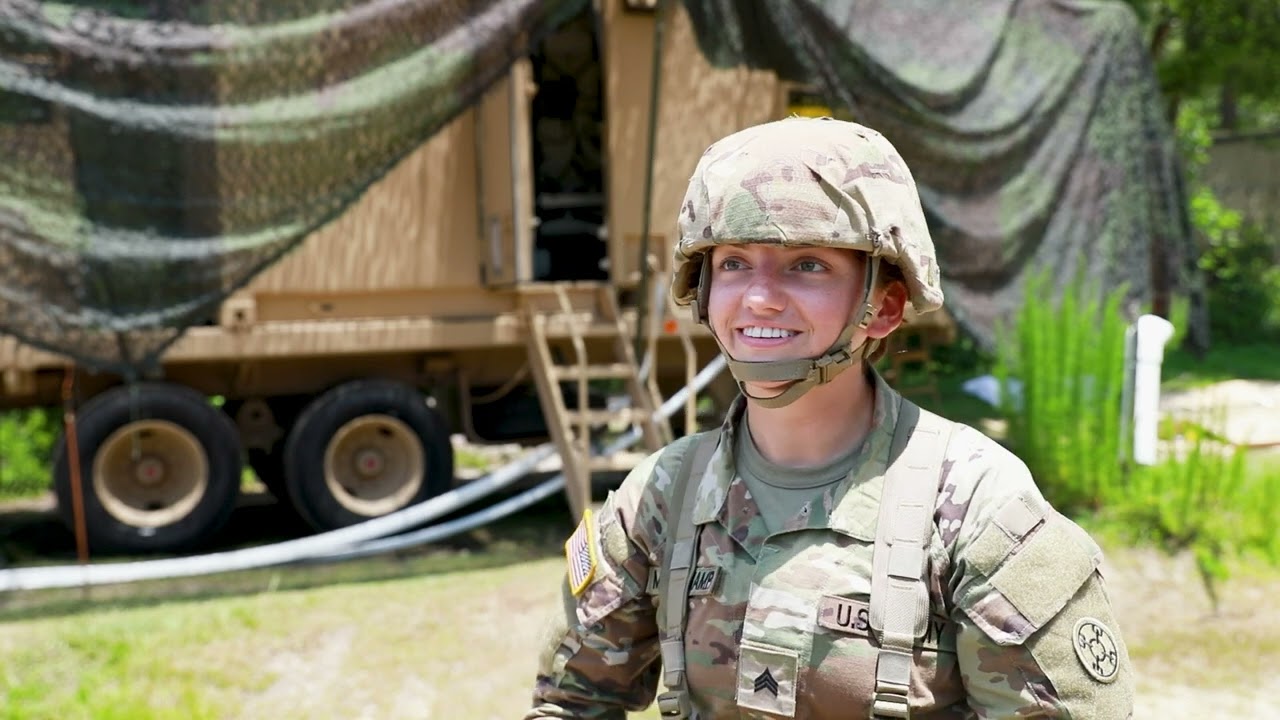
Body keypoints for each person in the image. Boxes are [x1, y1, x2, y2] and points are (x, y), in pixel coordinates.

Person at [525, 117, 1134, 719]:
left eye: (807, 264)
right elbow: (568, 702)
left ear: (885, 306)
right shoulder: (660, 496)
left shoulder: (974, 506)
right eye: (734, 262)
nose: (759, 296)